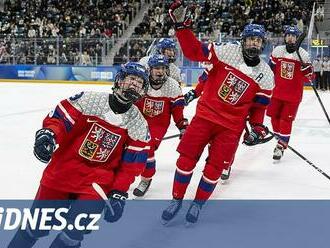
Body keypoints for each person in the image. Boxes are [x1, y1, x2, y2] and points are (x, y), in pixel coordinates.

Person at [8, 62, 151, 248]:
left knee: (73, 235)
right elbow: (60, 120)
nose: (134, 84)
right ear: (119, 80)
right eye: (131, 78)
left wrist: (118, 193)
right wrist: (49, 134)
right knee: (34, 227)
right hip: (62, 172)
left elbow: (131, 165)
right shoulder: (89, 100)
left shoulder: (139, 124)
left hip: (97, 184)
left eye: (139, 82)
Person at [161, 0, 274, 225]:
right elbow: (194, 51)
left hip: (231, 128)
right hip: (204, 118)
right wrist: (182, 28)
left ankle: (197, 205)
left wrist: (257, 128)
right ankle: (176, 199)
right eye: (250, 39)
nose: (254, 43)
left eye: (258, 40)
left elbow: (258, 108)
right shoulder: (226, 53)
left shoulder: (266, 75)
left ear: (262, 44)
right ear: (243, 41)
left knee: (215, 169)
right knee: (185, 160)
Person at [133, 54, 188, 197]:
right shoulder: (141, 82)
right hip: (137, 120)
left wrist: (182, 125)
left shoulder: (172, 86)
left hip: (158, 124)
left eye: (163, 68)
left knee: (148, 146)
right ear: (150, 69)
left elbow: (177, 109)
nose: (160, 71)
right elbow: (131, 103)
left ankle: (146, 178)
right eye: (157, 68)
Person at [267, 26, 313, 161]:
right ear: (285, 37)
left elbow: (310, 77)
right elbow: (270, 70)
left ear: (297, 38)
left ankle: (281, 146)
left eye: (293, 36)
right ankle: (279, 139)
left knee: (285, 120)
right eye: (288, 35)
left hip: (292, 96)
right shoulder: (277, 51)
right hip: (276, 93)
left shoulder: (303, 54)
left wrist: (306, 70)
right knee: (274, 118)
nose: (290, 38)